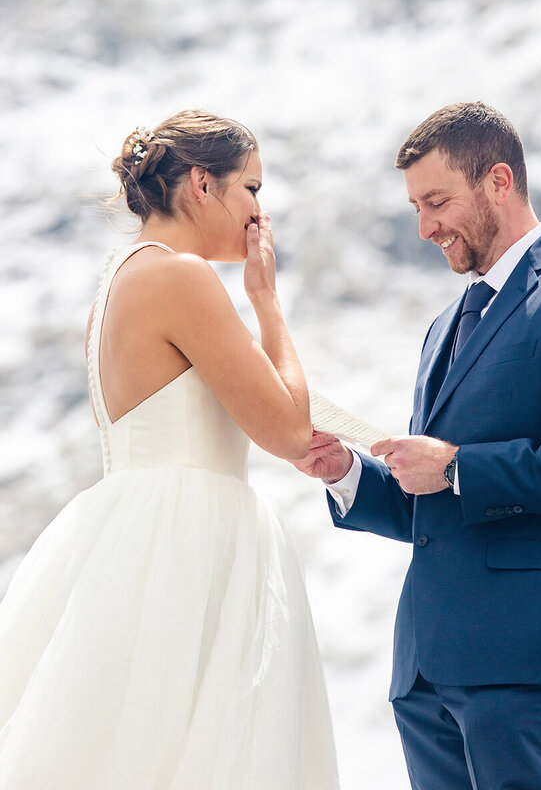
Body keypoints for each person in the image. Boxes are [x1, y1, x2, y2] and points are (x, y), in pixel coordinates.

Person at [295, 101, 541, 790]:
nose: (425, 227)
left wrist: (456, 466)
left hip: (527, 656)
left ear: (498, 181)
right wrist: (345, 472)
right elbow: (432, 505)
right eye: (414, 207)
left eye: (436, 202)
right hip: (427, 670)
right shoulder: (444, 326)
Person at [0, 109, 338, 790]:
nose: (258, 212)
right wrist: (267, 303)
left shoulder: (118, 280)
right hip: (189, 539)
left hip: (133, 532)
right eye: (251, 189)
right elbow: (288, 430)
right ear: (201, 185)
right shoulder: (181, 277)